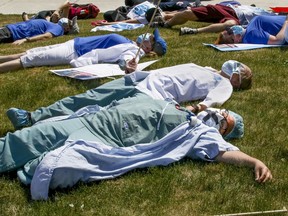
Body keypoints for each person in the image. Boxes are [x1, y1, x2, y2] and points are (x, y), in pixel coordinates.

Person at [0, 96, 272, 200]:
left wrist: (254, 161)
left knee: (52, 166)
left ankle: (31, 165)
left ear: (222, 133)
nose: (221, 116)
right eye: (224, 112)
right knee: (25, 139)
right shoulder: (180, 107)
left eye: (225, 123)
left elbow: (222, 153)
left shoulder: (198, 133)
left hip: (103, 138)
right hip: (93, 119)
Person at [6, 62, 252, 134]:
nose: (236, 67)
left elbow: (213, 101)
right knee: (86, 97)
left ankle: (38, 130)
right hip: (137, 80)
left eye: (241, 72)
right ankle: (31, 116)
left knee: (94, 116)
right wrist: (137, 71)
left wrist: (197, 106)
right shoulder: (204, 67)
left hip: (151, 96)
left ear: (237, 82)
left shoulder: (223, 85)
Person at [0, 29, 167, 74]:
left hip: (73, 52)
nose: (148, 36)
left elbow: (128, 60)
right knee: (29, 52)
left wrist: (128, 65)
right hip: (74, 43)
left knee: (30, 60)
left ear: (148, 48)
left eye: (151, 38)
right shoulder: (131, 43)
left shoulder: (133, 50)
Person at [149, 3, 275, 36]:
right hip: (227, 9)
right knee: (188, 13)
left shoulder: (273, 19)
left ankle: (194, 31)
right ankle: (165, 24)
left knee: (229, 25)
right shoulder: (265, 11)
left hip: (237, 20)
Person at [0, 16, 79, 45]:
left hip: (12, 32)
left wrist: (25, 40)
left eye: (70, 22)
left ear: (67, 29)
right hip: (10, 29)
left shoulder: (59, 29)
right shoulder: (53, 25)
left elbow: (46, 36)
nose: (69, 20)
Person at [215, 15, 288, 45]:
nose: (231, 28)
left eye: (228, 29)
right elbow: (278, 40)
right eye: (230, 32)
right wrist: (286, 22)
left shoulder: (246, 29)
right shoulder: (252, 35)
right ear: (236, 40)